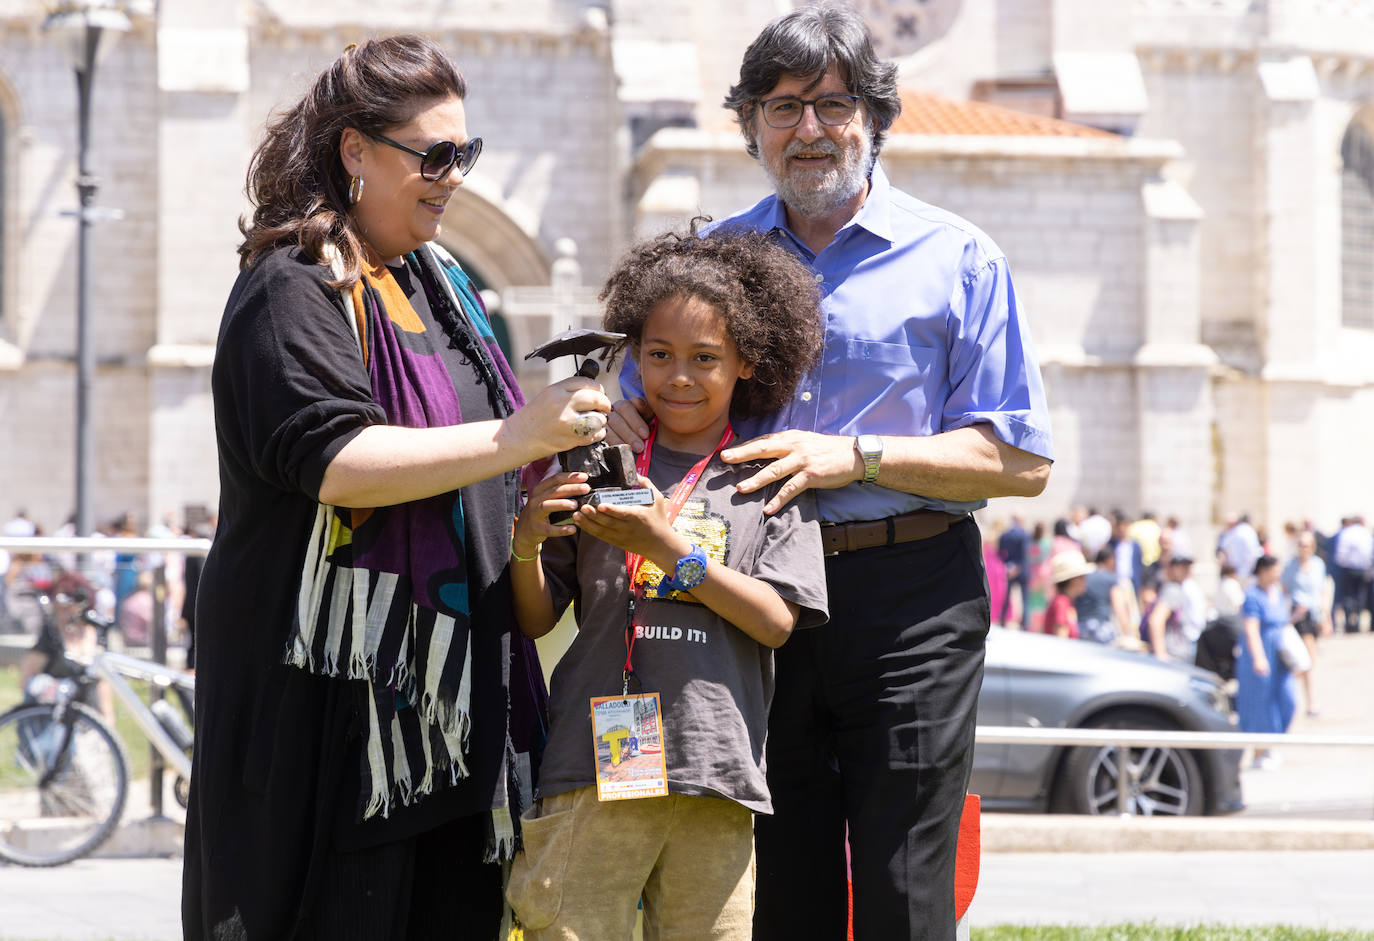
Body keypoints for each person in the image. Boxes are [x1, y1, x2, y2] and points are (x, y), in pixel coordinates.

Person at [606, 7, 1052, 937]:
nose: (808, 129)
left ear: (874, 118)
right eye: (781, 108)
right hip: (750, 595)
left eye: (832, 105)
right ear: (751, 127)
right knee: (779, 883)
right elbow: (633, 403)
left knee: (904, 883)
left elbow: (1018, 460)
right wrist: (608, 416)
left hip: (910, 597)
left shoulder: (960, 259)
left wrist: (853, 455)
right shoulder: (710, 261)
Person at [181, 36, 615, 941]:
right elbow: (334, 461)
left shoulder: (440, 283)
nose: (454, 176)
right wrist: (516, 434)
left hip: (451, 711)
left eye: (466, 152)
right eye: (434, 155)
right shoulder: (291, 283)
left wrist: (534, 511)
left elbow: (478, 475)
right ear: (353, 151)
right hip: (335, 717)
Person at [504, 226, 829, 940]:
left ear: (748, 362)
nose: (679, 376)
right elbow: (534, 619)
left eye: (706, 358)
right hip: (590, 765)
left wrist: (667, 546)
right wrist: (527, 538)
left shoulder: (766, 477)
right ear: (634, 355)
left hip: (715, 771)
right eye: (658, 354)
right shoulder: (595, 465)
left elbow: (776, 621)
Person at [1236, 555, 1298, 769]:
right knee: (1260, 704)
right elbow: (1251, 628)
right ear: (1263, 570)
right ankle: (1260, 751)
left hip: (1279, 654)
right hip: (1261, 654)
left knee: (1287, 699)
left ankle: (1273, 742)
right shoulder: (1253, 596)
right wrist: (1259, 657)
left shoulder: (1278, 593)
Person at [1282, 530, 1331, 717]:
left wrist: (1326, 617)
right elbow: (1283, 590)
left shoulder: (1318, 565)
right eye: (1301, 545)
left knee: (1307, 662)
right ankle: (1310, 702)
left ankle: (1300, 696)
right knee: (1305, 660)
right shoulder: (1290, 566)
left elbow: (1321, 592)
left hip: (1313, 615)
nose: (1304, 548)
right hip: (1297, 615)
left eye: (1307, 545)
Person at [1145, 553, 1207, 663]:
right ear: (1171, 568)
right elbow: (1156, 620)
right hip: (1172, 654)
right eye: (1182, 567)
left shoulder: (1178, 588)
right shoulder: (1172, 590)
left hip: (1177, 652)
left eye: (1187, 567)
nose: (1186, 570)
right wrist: (1160, 653)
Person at [1075, 547, 1134, 644]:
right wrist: (1128, 635)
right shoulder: (1111, 579)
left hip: (1080, 628)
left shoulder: (1084, 577)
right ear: (1110, 560)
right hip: (1101, 629)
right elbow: (1119, 608)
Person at [1042, 549, 1092, 639]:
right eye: (1082, 577)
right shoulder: (1061, 603)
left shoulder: (1065, 602)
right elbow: (1061, 638)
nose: (1085, 581)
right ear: (1074, 580)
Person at [997, 514, 1030, 629]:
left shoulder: (1005, 535)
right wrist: (1018, 566)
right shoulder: (1024, 534)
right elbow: (1025, 553)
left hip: (1009, 568)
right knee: (1024, 598)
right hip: (1022, 568)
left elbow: (1000, 552)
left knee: (1007, 596)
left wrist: (1008, 565)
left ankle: (1002, 620)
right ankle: (1024, 624)